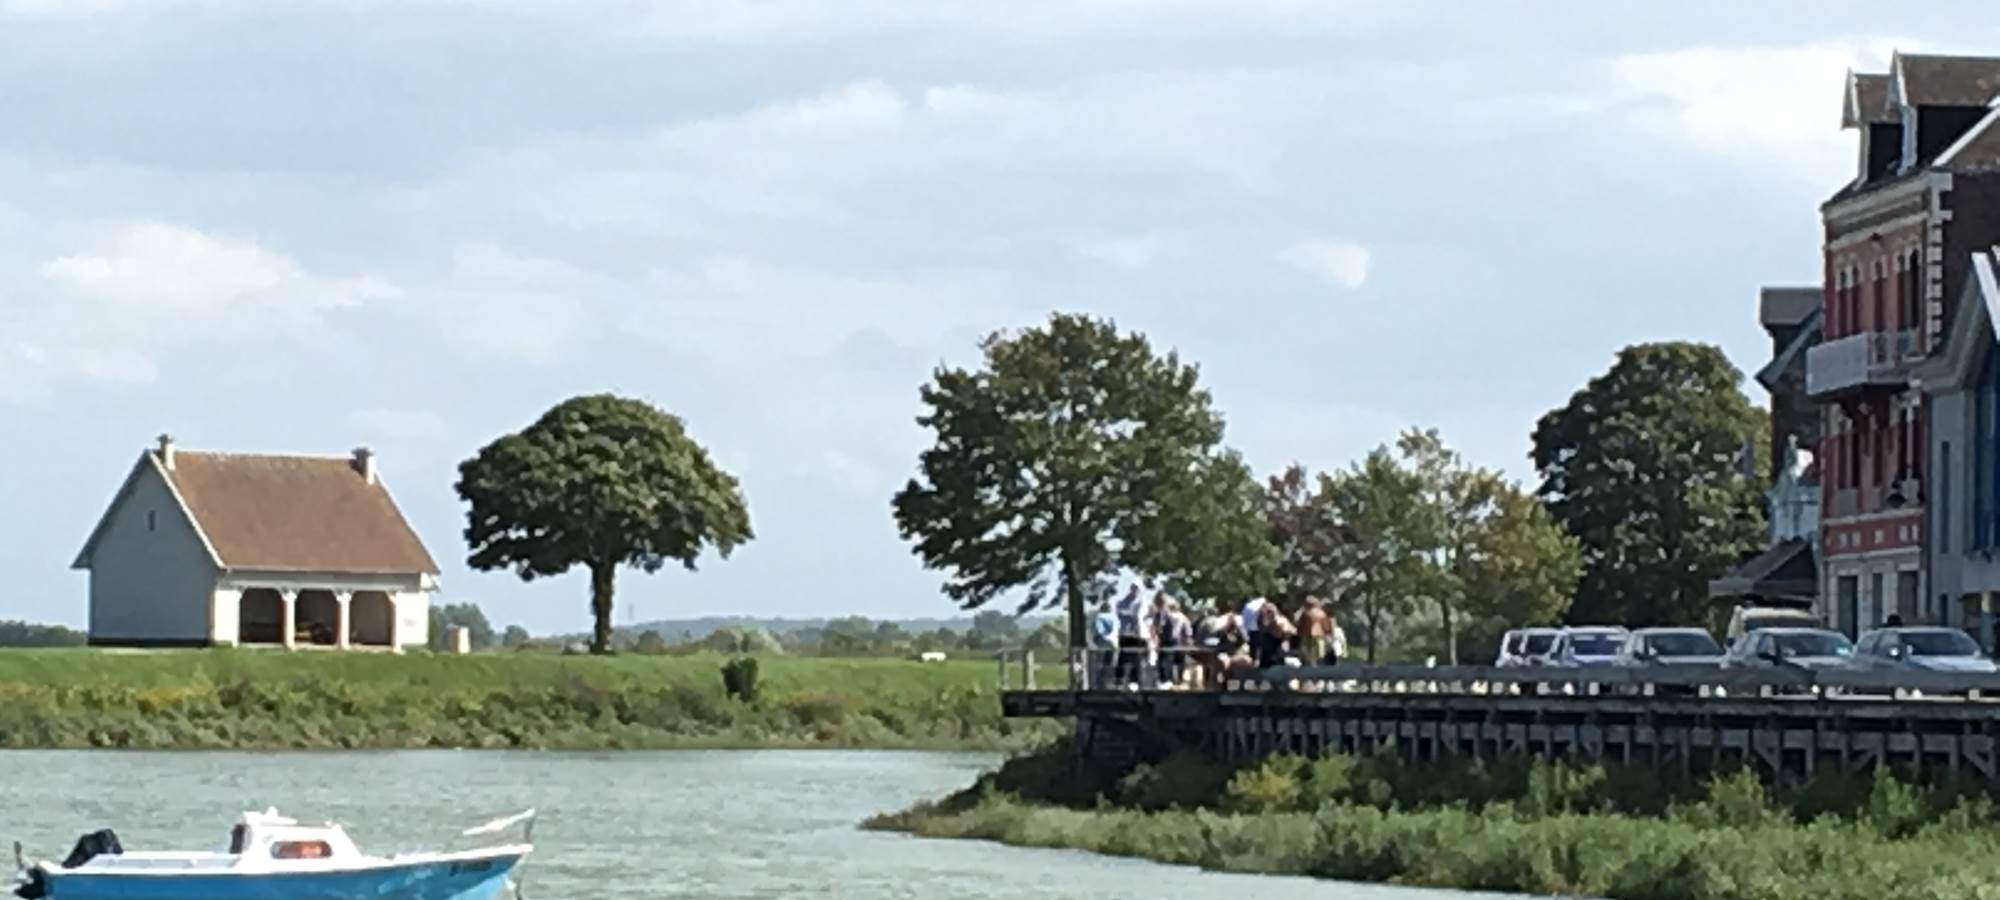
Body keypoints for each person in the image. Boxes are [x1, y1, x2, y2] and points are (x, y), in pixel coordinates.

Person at [1115, 584, 1149, 687]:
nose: (1135, 590)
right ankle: (1119, 680)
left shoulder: (1142, 601)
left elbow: (1139, 616)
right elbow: (1120, 613)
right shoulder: (1123, 601)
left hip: (1138, 635)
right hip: (1125, 634)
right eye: (1133, 588)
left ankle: (1134, 681)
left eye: (1137, 588)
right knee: (1123, 657)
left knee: (1137, 658)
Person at [1089, 599, 1118, 689]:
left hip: (1107, 645)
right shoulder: (1098, 619)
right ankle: (1099, 684)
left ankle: (1105, 683)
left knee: (1107, 664)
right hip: (1100, 643)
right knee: (1100, 665)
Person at [1297, 598, 1331, 667]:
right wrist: (1328, 634)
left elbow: (1300, 625)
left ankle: (1310, 664)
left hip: (1306, 634)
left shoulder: (1305, 613)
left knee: (1307, 651)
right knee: (1317, 652)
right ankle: (1315, 665)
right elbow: (1326, 626)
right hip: (1319, 634)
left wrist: (1299, 633)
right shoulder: (1321, 613)